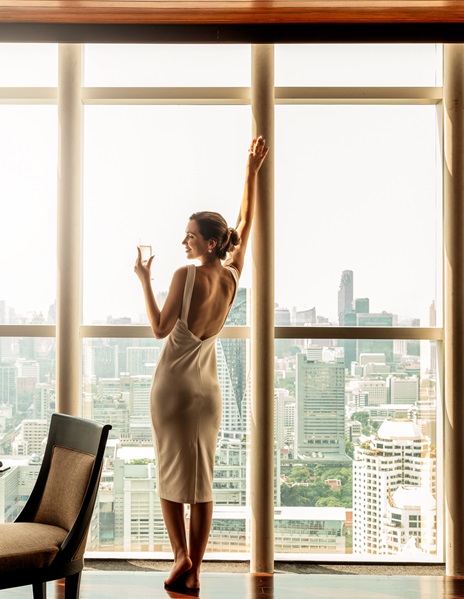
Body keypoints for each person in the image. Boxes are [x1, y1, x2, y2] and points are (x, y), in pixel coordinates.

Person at [134, 135, 269, 593]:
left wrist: (143, 279)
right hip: (209, 394)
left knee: (170, 473)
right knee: (202, 480)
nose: (184, 240)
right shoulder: (231, 276)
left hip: (172, 388)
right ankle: (196, 569)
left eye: (190, 235)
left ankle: (180, 556)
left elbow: (158, 328)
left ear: (210, 243)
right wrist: (250, 171)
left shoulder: (184, 275)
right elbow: (246, 221)